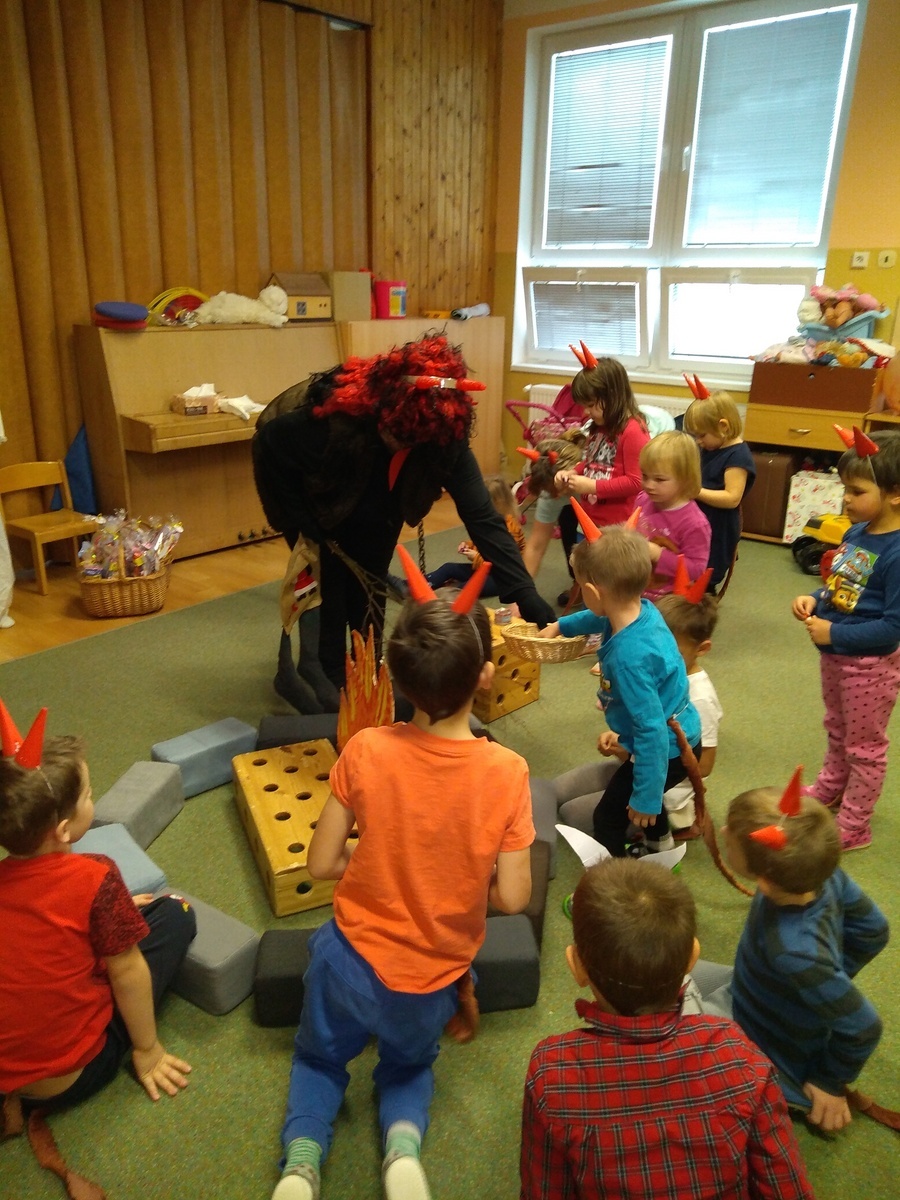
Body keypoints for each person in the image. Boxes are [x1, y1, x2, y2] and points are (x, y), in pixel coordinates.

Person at [271, 558, 534, 1200]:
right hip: (433, 976)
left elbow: (321, 864)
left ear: (396, 677)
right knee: (409, 1066)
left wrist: (373, 856)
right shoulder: (508, 772)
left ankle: (301, 1165)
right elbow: (512, 896)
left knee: (318, 1059)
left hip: (346, 962)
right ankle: (403, 1153)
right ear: (486, 675)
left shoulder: (365, 749)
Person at [252, 333, 555, 714]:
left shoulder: (444, 434)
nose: (399, 444)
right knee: (331, 588)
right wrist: (300, 521)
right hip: (317, 497)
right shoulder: (336, 420)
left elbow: (482, 518)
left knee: (371, 581)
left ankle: (365, 668)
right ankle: (330, 677)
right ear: (387, 414)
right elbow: (267, 445)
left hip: (379, 502)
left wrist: (524, 592)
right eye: (396, 437)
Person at [520, 857, 815, 1200]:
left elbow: (544, 1190)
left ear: (577, 967)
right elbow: (786, 1188)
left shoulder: (551, 1071)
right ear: (693, 957)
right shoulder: (739, 1054)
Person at [0, 703, 196, 1115]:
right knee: (176, 914)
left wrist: (113, 914)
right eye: (89, 796)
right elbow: (127, 973)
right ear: (63, 830)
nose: (93, 799)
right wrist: (148, 1049)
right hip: (71, 1076)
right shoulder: (96, 876)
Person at [692, 782, 888, 1133]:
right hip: (748, 988)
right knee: (667, 976)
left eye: (730, 839)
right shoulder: (825, 874)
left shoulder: (795, 952)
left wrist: (829, 1081)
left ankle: (791, 1089)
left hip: (761, 1034)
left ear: (765, 882)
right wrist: (831, 981)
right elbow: (874, 929)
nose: (723, 832)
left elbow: (864, 1027)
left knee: (663, 1026)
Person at [540, 520, 701, 857]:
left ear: (593, 592)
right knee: (640, 796)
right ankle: (662, 848)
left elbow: (651, 731)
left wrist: (645, 797)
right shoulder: (639, 609)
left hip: (666, 748)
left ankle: (614, 877)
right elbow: (597, 617)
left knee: (609, 816)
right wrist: (560, 625)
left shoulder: (630, 658)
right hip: (678, 734)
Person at [791, 427, 900, 851]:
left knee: (865, 747)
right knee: (837, 729)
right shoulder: (856, 534)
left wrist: (834, 631)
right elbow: (843, 588)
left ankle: (855, 824)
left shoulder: (896, 553)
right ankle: (832, 788)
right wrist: (816, 598)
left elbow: (893, 627)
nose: (846, 500)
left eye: (856, 491)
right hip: (836, 656)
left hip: (870, 667)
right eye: (845, 489)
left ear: (895, 494)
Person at [556, 583, 720, 842]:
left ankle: (639, 857)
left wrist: (644, 792)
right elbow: (606, 615)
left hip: (661, 781)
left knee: (591, 816)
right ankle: (660, 845)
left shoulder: (700, 697)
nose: (654, 654)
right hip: (644, 759)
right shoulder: (647, 638)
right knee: (562, 794)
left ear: (702, 648)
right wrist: (621, 739)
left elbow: (698, 763)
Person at [538, 355, 650, 598]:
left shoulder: (633, 431)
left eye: (590, 405)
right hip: (590, 519)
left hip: (618, 528)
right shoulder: (597, 428)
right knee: (591, 575)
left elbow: (636, 481)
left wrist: (593, 486)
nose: (586, 412)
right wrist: (572, 472)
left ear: (612, 396)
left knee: (613, 586)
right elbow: (591, 463)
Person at [683, 385, 756, 591]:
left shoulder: (737, 456)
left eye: (702, 435)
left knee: (705, 578)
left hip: (718, 528)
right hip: (700, 522)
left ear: (723, 426)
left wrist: (695, 491)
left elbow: (732, 498)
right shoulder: (711, 446)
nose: (698, 441)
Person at [634, 429, 711, 601]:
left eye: (659, 479)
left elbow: (696, 569)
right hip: (635, 591)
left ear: (685, 479)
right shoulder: (642, 499)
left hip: (668, 602)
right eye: (645, 476)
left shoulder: (695, 523)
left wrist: (658, 555)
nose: (649, 485)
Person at [425, 474, 525, 596]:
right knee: (448, 568)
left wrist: (476, 557)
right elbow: (484, 543)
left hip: (504, 577)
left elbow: (503, 564)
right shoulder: (489, 521)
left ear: (498, 502)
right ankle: (414, 585)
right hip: (485, 568)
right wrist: (468, 546)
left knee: (463, 589)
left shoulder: (510, 528)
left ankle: (434, 598)